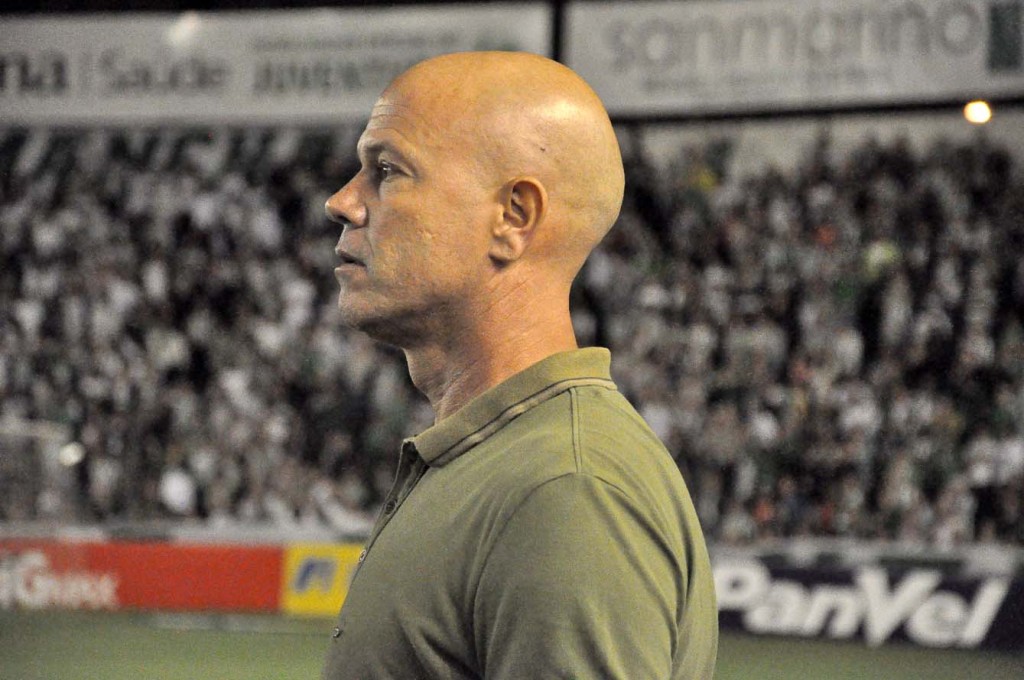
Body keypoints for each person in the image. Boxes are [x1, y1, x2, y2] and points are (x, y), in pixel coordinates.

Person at [321, 51, 718, 679]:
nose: (342, 202)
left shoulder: (568, 490)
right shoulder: (515, 460)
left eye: (387, 171)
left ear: (512, 218)